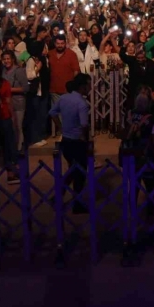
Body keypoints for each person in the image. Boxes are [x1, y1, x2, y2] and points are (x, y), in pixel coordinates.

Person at [49, 73, 92, 214]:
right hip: (78, 142)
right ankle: (77, 204)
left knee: (73, 171)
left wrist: (61, 127)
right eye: (88, 84)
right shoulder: (82, 103)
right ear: (83, 86)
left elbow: (52, 113)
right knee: (79, 174)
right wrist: (86, 140)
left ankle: (58, 196)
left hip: (66, 141)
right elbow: (84, 125)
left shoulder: (64, 98)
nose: (90, 87)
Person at [48, 34, 80, 140]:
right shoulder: (50, 54)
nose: (60, 45)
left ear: (65, 44)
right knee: (54, 112)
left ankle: (66, 135)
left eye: (62, 43)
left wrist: (72, 85)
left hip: (67, 90)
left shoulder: (71, 54)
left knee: (67, 114)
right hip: (54, 88)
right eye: (58, 43)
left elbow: (76, 70)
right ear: (55, 44)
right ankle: (63, 131)